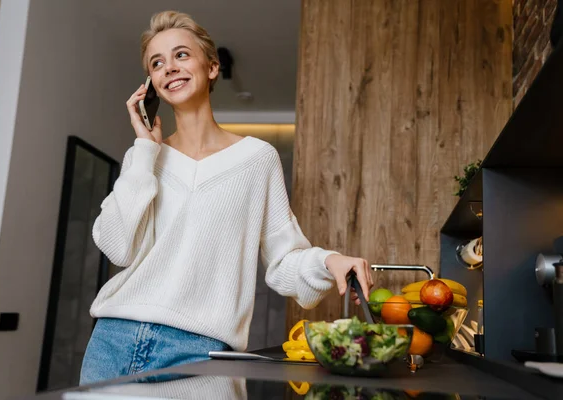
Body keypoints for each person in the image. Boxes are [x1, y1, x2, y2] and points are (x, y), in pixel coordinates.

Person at [79, 10, 372, 385]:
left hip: (202, 350)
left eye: (181, 55)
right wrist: (143, 149)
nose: (169, 67)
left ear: (212, 67)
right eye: (157, 62)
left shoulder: (257, 159)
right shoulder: (144, 158)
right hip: (113, 341)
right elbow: (118, 247)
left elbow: (284, 260)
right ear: (151, 83)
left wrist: (329, 259)